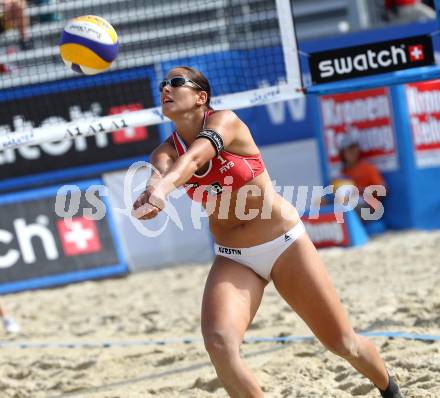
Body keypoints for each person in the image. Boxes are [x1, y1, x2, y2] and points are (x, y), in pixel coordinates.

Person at [132, 66, 404, 398]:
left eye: (175, 83)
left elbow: (193, 160)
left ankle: (390, 390)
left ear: (201, 97)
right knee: (219, 344)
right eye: (163, 84)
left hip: (284, 243)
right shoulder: (165, 151)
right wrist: (150, 194)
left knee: (342, 343)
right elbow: (160, 172)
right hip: (234, 257)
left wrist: (164, 189)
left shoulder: (225, 122)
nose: (166, 88)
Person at [333, 133, 387, 223]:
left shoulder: (367, 168)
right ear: (343, 154)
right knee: (327, 203)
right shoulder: (343, 173)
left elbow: (384, 190)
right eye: (349, 150)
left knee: (347, 207)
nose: (353, 153)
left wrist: (362, 191)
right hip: (350, 204)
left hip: (369, 208)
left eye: (354, 149)